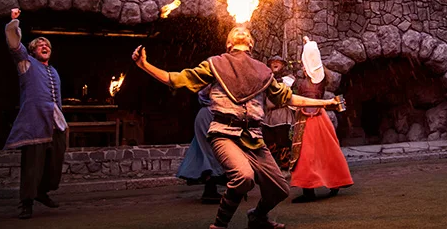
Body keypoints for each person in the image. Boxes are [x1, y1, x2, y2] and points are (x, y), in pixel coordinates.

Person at [131, 26, 341, 229]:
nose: (241, 31)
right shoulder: (215, 65)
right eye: (235, 31)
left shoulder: (262, 71)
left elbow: (288, 98)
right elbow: (176, 79)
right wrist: (145, 65)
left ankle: (258, 217)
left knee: (280, 189)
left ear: (251, 43)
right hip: (224, 133)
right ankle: (219, 224)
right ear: (229, 43)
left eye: (246, 32)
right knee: (244, 176)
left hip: (254, 138)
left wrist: (327, 103)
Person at [4, 8, 67, 219]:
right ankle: (26, 202)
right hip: (35, 123)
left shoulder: (54, 71)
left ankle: (41, 192)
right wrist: (14, 22)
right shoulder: (26, 64)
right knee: (32, 166)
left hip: (54, 124)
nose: (44, 46)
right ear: (32, 51)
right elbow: (14, 45)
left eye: (47, 45)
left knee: (54, 163)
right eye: (40, 45)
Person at [289, 38, 353, 203]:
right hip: (306, 118)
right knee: (312, 154)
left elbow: (313, 58)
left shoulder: (317, 76)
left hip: (315, 119)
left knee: (314, 153)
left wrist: (309, 45)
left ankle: (326, 185)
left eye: (305, 61)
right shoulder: (307, 78)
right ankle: (315, 188)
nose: (304, 65)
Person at [177, 86, 226, 204]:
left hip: (212, 115)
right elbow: (203, 94)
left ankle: (211, 188)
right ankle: (210, 189)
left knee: (209, 151)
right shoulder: (215, 80)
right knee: (211, 151)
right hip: (209, 116)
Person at [263, 56, 295, 170]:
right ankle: (272, 168)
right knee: (269, 141)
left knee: (283, 141)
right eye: (273, 62)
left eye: (278, 62)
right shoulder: (266, 79)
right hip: (269, 116)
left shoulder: (288, 79)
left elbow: (286, 96)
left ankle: (285, 168)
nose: (275, 63)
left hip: (282, 115)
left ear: (283, 65)